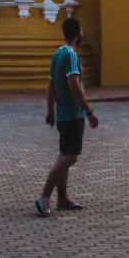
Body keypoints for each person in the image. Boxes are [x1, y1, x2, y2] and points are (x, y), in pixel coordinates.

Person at [34, 17, 99, 217]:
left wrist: (50, 110)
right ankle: (44, 196)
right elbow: (73, 84)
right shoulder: (70, 55)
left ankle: (62, 198)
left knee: (65, 154)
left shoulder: (57, 54)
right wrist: (88, 111)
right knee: (70, 156)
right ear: (78, 32)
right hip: (72, 114)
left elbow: (51, 85)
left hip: (62, 113)